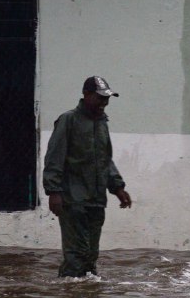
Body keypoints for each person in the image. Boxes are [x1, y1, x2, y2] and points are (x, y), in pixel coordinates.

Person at [43, 76, 132, 277]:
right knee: (76, 256)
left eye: (107, 99)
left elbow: (105, 159)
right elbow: (54, 158)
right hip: (72, 198)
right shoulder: (68, 120)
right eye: (100, 98)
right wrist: (54, 192)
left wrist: (117, 187)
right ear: (86, 95)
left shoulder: (102, 123)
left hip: (96, 200)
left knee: (91, 256)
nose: (104, 103)